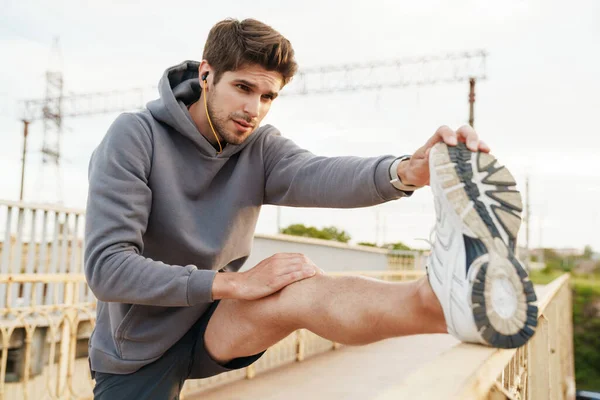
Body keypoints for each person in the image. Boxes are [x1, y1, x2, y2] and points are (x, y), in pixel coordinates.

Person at [84, 18, 537, 400]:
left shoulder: (258, 146)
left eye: (267, 97)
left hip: (213, 320)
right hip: (138, 345)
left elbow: (319, 173)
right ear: (206, 74)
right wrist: (232, 282)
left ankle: (441, 304)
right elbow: (107, 268)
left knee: (300, 290)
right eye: (242, 88)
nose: (252, 109)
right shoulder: (135, 135)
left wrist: (405, 171)